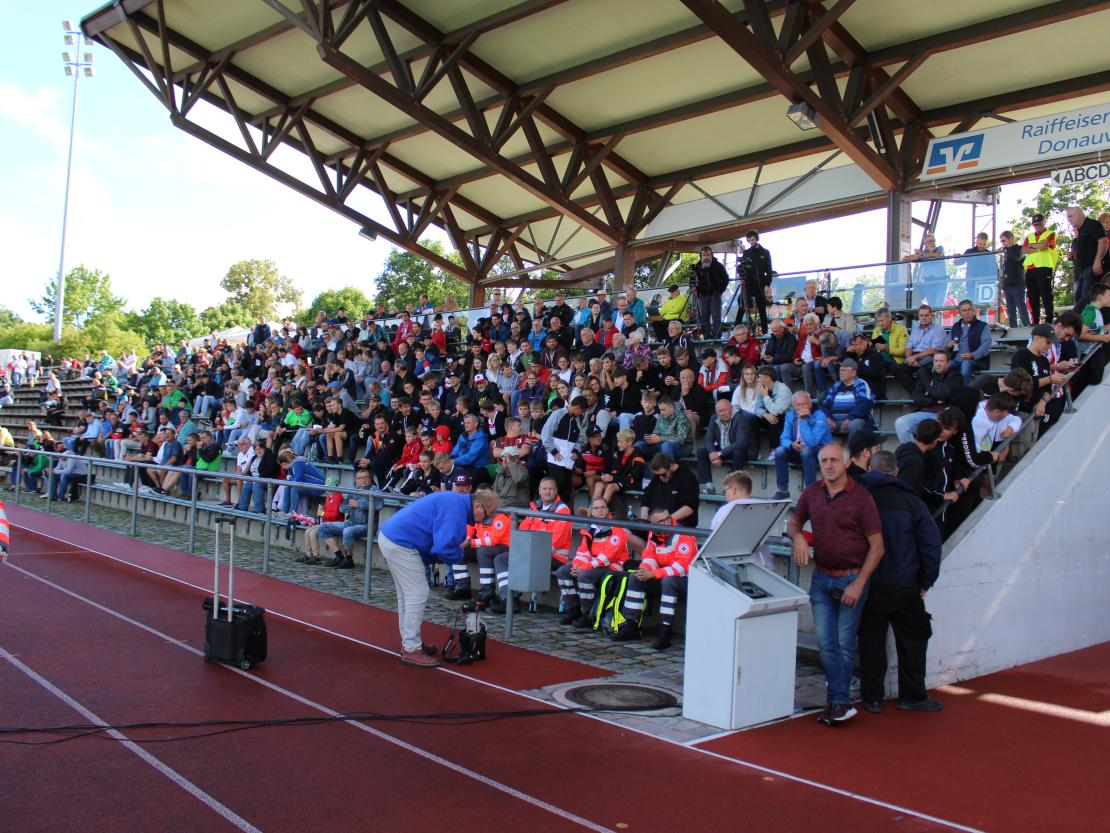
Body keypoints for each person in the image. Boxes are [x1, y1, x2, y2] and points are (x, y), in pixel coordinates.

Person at [788, 443, 884, 725]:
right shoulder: (812, 492)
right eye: (824, 461)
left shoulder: (861, 498)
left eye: (834, 460)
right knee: (826, 643)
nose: (828, 465)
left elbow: (878, 547)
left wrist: (859, 584)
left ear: (846, 463)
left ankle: (838, 702)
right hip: (821, 577)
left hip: (852, 578)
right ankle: (839, 702)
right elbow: (794, 524)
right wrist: (798, 538)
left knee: (843, 643)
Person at [859, 450, 943, 714]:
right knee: (913, 640)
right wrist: (926, 580)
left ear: (869, 469)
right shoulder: (911, 501)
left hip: (869, 583)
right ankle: (912, 695)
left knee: (871, 642)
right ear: (896, 472)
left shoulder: (859, 498)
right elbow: (931, 544)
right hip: (905, 584)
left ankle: (872, 697)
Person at [378, 488, 501, 667]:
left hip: (394, 538)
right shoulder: (456, 509)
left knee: (407, 595)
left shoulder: (455, 503)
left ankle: (410, 642)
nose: (485, 520)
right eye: (488, 515)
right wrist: (459, 551)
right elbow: (444, 549)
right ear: (478, 506)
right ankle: (411, 648)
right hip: (401, 543)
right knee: (417, 593)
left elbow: (441, 544)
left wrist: (453, 549)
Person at [614, 508, 698, 649]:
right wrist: (645, 569)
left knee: (669, 581)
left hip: (686, 579)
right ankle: (631, 625)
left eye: (668, 518)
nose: (666, 523)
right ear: (653, 524)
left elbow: (683, 567)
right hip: (665, 575)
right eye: (661, 521)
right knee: (636, 577)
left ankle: (665, 631)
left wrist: (654, 574)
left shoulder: (683, 534)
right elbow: (649, 557)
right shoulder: (654, 533)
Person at [555, 499, 630, 627]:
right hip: (594, 565)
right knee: (563, 571)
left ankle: (589, 615)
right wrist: (577, 566)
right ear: (591, 512)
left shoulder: (616, 528)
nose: (600, 510)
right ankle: (574, 610)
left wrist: (584, 568)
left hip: (613, 567)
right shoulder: (590, 529)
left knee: (584, 576)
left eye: (603, 507)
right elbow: (583, 552)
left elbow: (608, 557)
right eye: (596, 508)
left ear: (607, 510)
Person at [772, 391, 831, 500]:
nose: (802, 407)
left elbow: (812, 442)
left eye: (804, 404)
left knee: (806, 451)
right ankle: (783, 491)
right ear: (794, 407)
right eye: (798, 405)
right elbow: (784, 438)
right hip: (799, 450)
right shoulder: (791, 415)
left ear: (810, 404)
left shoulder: (820, 416)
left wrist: (803, 420)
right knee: (779, 452)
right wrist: (791, 445)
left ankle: (811, 492)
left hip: (819, 452)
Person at [893, 351, 960, 443]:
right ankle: (912, 450)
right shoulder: (928, 375)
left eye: (941, 361)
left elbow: (944, 395)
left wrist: (927, 387)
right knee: (901, 422)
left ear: (948, 363)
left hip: (943, 416)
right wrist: (934, 401)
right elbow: (916, 398)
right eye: (936, 361)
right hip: (924, 413)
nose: (938, 364)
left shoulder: (955, 376)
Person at [315, 469, 372, 569]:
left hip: (366, 525)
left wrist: (359, 504)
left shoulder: (374, 490)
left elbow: (379, 505)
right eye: (360, 478)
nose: (363, 480)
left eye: (365, 477)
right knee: (322, 527)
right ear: (356, 480)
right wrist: (348, 507)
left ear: (370, 479)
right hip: (350, 522)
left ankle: (349, 560)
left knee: (348, 531)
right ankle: (339, 556)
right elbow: (342, 507)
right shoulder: (354, 490)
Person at [697, 398, 752, 494]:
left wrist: (719, 454)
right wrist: (712, 453)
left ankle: (732, 486)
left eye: (725, 410)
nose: (722, 413)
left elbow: (741, 442)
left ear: (731, 409)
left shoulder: (740, 419)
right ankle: (709, 487)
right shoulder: (714, 418)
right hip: (724, 450)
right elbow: (708, 439)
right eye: (720, 411)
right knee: (702, 452)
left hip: (743, 451)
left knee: (738, 452)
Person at [640, 453, 700, 528]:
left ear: (671, 466)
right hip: (655, 523)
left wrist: (665, 521)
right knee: (627, 531)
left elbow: (689, 508)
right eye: (658, 475)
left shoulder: (687, 478)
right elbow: (646, 498)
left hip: (678, 524)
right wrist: (644, 515)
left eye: (663, 474)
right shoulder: (658, 476)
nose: (661, 477)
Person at [1066, 205, 1108, 311]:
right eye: (1067, 217)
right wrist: (1074, 256)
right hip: (1083, 270)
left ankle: (1089, 320)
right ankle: (1081, 319)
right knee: (1079, 297)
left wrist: (1098, 261)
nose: (1068, 219)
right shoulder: (1080, 231)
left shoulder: (1092, 224)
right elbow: (1087, 249)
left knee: (1087, 297)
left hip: (1093, 268)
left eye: (1070, 216)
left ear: (1079, 215)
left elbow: (1103, 241)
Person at [1021, 213, 1058, 323]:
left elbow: (1044, 245)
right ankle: (1035, 320)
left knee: (1046, 293)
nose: (1037, 226)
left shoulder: (1050, 233)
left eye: (1039, 224)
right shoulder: (1029, 236)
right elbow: (1023, 249)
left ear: (1044, 222)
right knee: (1032, 295)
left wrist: (1032, 246)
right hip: (1030, 268)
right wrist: (1038, 247)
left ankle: (1049, 319)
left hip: (1044, 266)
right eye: (1035, 224)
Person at [946, 299, 993, 385]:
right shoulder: (955, 326)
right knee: (941, 366)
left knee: (966, 364)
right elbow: (946, 345)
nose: (967, 313)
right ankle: (941, 391)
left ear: (974, 311)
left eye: (970, 310)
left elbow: (986, 346)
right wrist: (948, 346)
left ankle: (964, 391)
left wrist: (972, 355)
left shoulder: (983, 326)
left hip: (975, 360)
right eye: (964, 310)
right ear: (960, 313)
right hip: (956, 359)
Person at [739, 230, 772, 333]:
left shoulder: (765, 252)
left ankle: (765, 332)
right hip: (748, 284)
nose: (751, 242)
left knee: (762, 309)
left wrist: (767, 284)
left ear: (757, 239)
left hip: (760, 284)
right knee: (742, 306)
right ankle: (736, 328)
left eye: (752, 240)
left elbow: (769, 271)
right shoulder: (746, 252)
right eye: (749, 240)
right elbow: (741, 267)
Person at [692, 245, 728, 338]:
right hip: (702, 296)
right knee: (704, 318)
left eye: (708, 255)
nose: (706, 257)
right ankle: (707, 337)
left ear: (711, 255)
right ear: (701, 256)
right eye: (704, 255)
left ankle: (716, 337)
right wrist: (697, 292)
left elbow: (725, 279)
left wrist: (720, 290)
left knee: (716, 316)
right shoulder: (697, 267)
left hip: (715, 295)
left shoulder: (718, 265)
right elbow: (691, 282)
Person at [999, 231, 1031, 327]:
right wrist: (1002, 285)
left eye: (1004, 240)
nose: (1002, 243)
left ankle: (1027, 326)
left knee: (1020, 306)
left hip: (1018, 283)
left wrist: (1007, 249)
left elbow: (1017, 258)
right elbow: (1004, 269)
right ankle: (1013, 328)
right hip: (1007, 284)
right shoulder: (1005, 252)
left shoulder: (1019, 248)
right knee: (1010, 309)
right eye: (1001, 241)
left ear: (1011, 239)